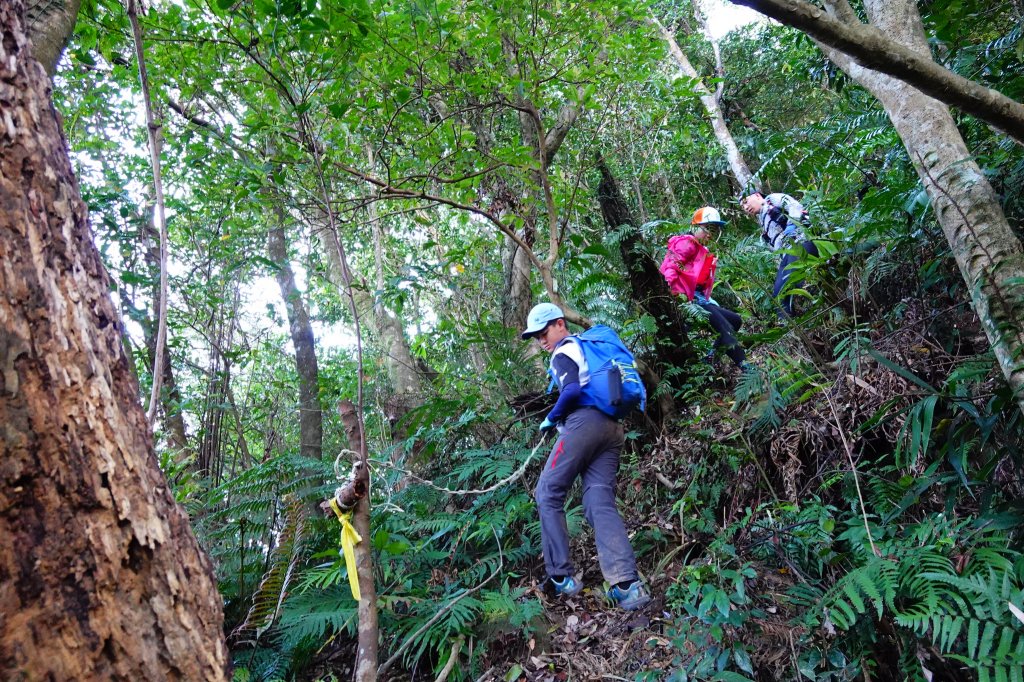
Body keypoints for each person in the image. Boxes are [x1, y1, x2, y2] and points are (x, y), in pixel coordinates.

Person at [520, 302, 652, 611]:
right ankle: (626, 585)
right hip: (612, 429)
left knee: (547, 491)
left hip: (584, 425)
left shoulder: (564, 351)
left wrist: (551, 418)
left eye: (544, 331)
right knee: (598, 501)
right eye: (536, 336)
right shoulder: (588, 348)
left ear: (560, 325)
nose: (541, 340)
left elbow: (571, 391)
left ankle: (560, 576)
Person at [659, 207, 748, 370]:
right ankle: (746, 367)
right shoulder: (687, 243)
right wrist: (669, 291)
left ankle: (711, 355)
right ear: (696, 227)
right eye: (708, 229)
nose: (710, 234)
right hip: (686, 300)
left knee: (735, 320)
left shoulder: (702, 249)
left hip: (699, 298)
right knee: (724, 327)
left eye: (714, 230)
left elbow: (684, 268)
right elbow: (673, 264)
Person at [741, 191, 819, 317]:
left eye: (745, 202)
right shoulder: (763, 220)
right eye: (742, 206)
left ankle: (813, 312)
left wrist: (792, 225)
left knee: (794, 280)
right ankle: (789, 328)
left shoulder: (772, 199)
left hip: (801, 241)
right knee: (779, 293)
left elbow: (794, 206)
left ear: (756, 195)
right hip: (786, 253)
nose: (745, 207)